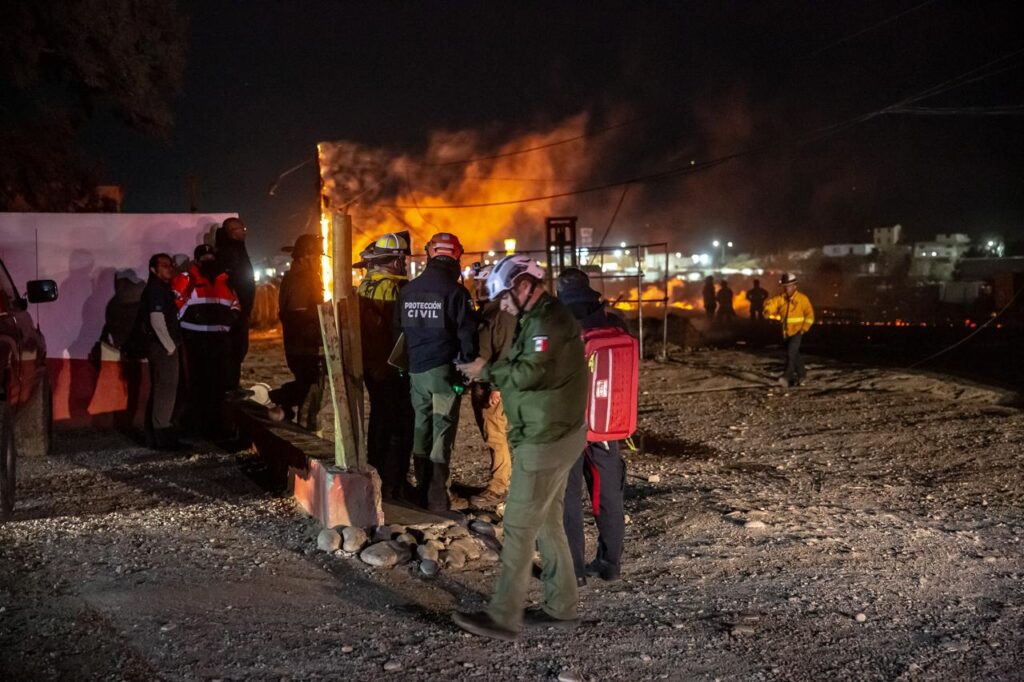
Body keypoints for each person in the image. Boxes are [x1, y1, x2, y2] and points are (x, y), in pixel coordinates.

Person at [453, 255, 589, 641]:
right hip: (558, 433)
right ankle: (561, 606)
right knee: (547, 523)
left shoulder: (546, 322)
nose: (505, 306)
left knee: (517, 526)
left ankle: (502, 617)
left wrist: (486, 372)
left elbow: (532, 372)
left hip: (544, 439)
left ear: (524, 286)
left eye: (507, 298)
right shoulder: (541, 317)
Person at [556, 268, 629, 585]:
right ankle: (610, 564)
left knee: (568, 497)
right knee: (608, 493)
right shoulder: (613, 322)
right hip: (605, 420)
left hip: (566, 423)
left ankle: (573, 571)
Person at [396, 232, 478, 512]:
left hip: (416, 370)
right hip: (445, 372)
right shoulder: (457, 293)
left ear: (430, 253)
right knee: (443, 429)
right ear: (457, 255)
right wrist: (466, 370)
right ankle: (437, 496)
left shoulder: (407, 291)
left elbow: (400, 332)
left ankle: (420, 489)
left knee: (421, 426)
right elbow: (468, 336)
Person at [356, 232, 414, 500]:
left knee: (379, 421)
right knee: (400, 425)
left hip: (371, 366)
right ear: (397, 260)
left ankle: (377, 475)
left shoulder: (368, 283)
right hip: (390, 367)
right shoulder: (393, 288)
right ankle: (395, 483)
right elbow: (398, 332)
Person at [171, 244, 240, 439]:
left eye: (211, 256)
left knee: (218, 384)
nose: (209, 260)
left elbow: (235, 306)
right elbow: (174, 306)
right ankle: (195, 426)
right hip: (196, 339)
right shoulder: (187, 279)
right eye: (204, 257)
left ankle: (216, 427)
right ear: (197, 260)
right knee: (197, 384)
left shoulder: (224, 280)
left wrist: (228, 322)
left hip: (219, 339)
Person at [468, 265, 516, 509]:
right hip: (483, 384)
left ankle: (498, 486)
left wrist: (497, 388)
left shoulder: (503, 314)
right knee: (492, 434)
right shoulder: (488, 311)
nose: (479, 287)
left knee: (496, 435)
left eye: (484, 283)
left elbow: (505, 353)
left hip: (495, 386)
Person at [268, 234, 325, 429]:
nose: (319, 261)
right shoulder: (301, 280)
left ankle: (284, 408)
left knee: (310, 387)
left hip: (303, 345)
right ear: (306, 256)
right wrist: (322, 324)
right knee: (310, 389)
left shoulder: (303, 277)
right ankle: (278, 401)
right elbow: (297, 315)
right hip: (304, 346)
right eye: (316, 256)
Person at [140, 253, 182, 449]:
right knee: (166, 392)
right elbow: (156, 320)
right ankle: (163, 438)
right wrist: (170, 346)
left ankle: (155, 436)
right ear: (153, 269)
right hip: (163, 349)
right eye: (164, 265)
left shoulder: (159, 288)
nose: (169, 268)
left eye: (170, 265)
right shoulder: (156, 289)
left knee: (161, 391)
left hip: (159, 347)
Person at [215, 217, 256, 397]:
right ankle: (229, 388)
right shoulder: (228, 252)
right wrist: (236, 308)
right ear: (229, 232)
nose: (242, 232)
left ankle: (233, 386)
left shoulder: (238, 249)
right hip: (233, 312)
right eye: (237, 229)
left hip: (241, 311)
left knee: (239, 350)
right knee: (233, 350)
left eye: (242, 228)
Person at [763, 273, 815, 387]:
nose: (786, 288)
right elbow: (771, 304)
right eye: (784, 286)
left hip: (797, 332)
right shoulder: (781, 299)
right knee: (795, 354)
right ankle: (802, 375)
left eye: (788, 286)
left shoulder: (802, 299)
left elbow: (810, 315)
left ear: (794, 286)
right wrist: (767, 311)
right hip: (786, 332)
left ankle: (787, 376)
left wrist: (803, 329)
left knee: (790, 353)